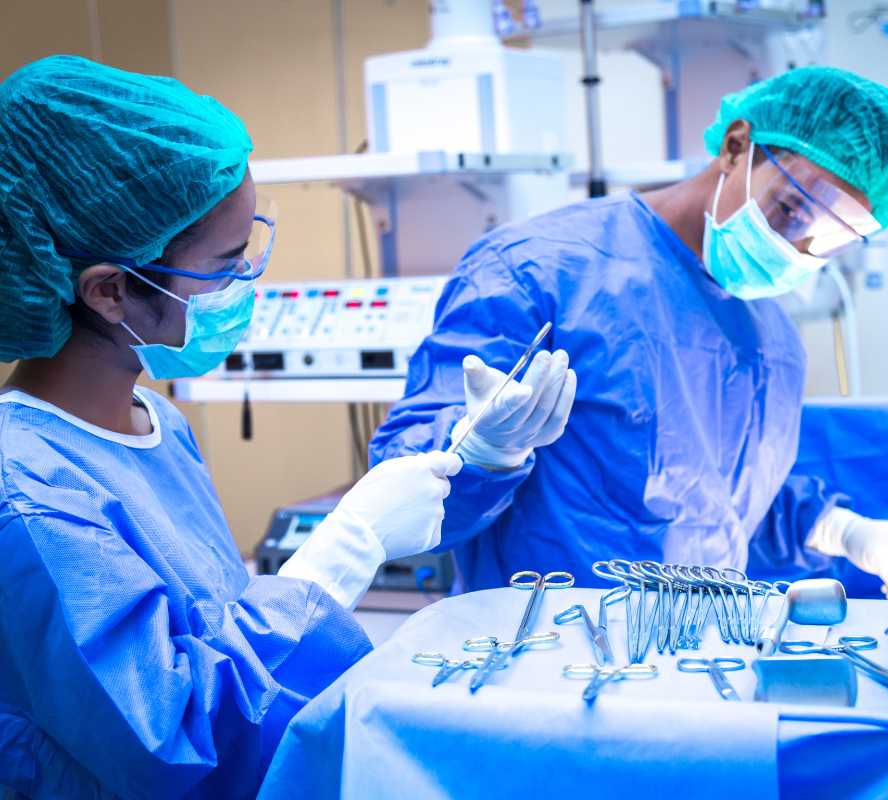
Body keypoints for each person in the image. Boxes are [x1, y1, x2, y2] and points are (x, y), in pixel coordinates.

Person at [0, 56, 572, 798]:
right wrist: (344, 547)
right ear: (112, 291)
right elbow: (179, 738)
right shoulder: (25, 495)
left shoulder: (154, 425)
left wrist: (481, 455)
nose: (248, 282)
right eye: (226, 264)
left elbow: (215, 631)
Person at [371, 66, 888, 597]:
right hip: (543, 654)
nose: (797, 248)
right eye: (791, 209)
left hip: (700, 654)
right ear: (736, 146)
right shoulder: (539, 271)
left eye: (829, 240)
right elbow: (403, 494)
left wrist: (842, 531)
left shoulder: (772, 338)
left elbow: (723, 508)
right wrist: (481, 451)